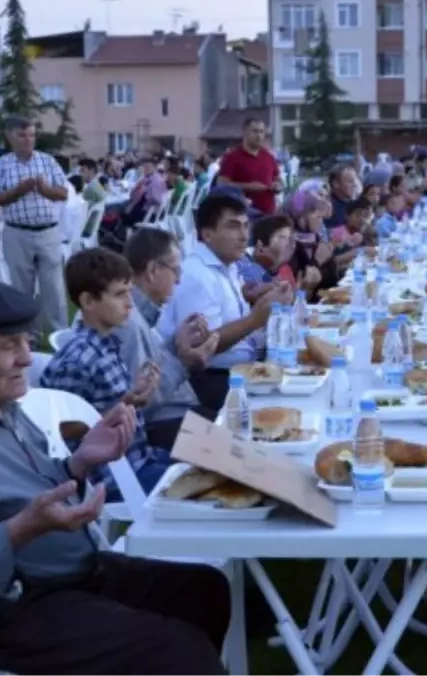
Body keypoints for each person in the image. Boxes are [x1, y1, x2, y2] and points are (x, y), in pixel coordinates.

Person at [0, 275, 230, 675]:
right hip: (11, 606)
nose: (27, 357)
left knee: (205, 591)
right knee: (180, 653)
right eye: (9, 346)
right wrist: (19, 530)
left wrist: (79, 464)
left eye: (27, 340)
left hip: (71, 573)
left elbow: (26, 490)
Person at [40, 248, 169, 500]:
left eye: (129, 292)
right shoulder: (78, 358)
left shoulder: (105, 343)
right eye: (120, 294)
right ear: (88, 302)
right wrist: (128, 403)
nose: (130, 303)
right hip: (115, 477)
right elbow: (60, 430)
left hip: (140, 458)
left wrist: (135, 396)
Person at [159, 193, 290, 411]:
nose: (243, 236)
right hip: (211, 381)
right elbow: (203, 347)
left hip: (241, 370)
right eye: (233, 227)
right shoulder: (197, 275)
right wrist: (255, 319)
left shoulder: (227, 265)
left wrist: (257, 298)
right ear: (207, 234)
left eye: (246, 226)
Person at [120, 227, 219, 449]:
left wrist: (176, 345)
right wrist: (184, 362)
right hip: (163, 427)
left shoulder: (139, 314)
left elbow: (149, 362)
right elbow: (143, 401)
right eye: (176, 270)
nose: (179, 279)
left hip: (177, 416)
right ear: (153, 270)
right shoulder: (128, 319)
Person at [0, 116, 71, 340]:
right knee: (21, 288)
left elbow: (63, 193)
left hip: (47, 231)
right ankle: (29, 335)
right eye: (22, 135)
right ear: (10, 137)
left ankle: (60, 334)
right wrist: (19, 191)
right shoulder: (1, 165)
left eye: (32, 135)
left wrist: (45, 190)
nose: (28, 140)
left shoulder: (47, 161)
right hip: (17, 231)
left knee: (53, 286)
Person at [216, 117, 280, 215]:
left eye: (261, 132)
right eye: (255, 131)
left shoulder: (268, 156)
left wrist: (277, 186)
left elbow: (277, 178)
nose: (259, 135)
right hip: (244, 215)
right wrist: (249, 187)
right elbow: (221, 184)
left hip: (268, 215)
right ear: (244, 132)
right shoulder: (232, 157)